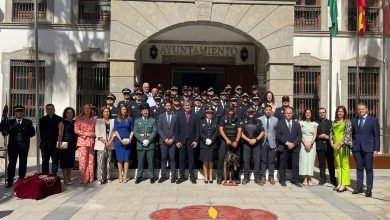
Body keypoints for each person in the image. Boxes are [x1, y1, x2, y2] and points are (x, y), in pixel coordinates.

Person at [351, 103, 380, 197]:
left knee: (369, 169)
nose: (361, 111)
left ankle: (369, 189)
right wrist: (352, 147)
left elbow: (377, 136)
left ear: (366, 109)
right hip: (357, 149)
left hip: (368, 149)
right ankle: (359, 188)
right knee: (359, 168)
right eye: (359, 109)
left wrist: (376, 149)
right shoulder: (354, 120)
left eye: (362, 109)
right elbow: (352, 135)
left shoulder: (373, 120)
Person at [6, 105, 35, 188]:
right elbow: (5, 133)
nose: (19, 113)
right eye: (17, 111)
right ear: (14, 112)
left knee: (23, 163)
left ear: (23, 112)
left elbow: (32, 133)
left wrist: (24, 137)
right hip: (13, 147)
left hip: (24, 146)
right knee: (11, 164)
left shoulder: (28, 122)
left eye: (20, 111)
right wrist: (3, 127)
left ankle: (21, 179)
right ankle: (10, 180)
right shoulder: (10, 122)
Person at [275, 107, 303, 187]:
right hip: (284, 147)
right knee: (283, 165)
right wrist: (287, 143)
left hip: (294, 148)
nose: (288, 114)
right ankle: (282, 180)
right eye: (287, 113)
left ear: (292, 114)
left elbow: (299, 135)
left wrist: (293, 144)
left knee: (295, 165)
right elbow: (278, 134)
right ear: (284, 114)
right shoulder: (280, 123)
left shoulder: (297, 124)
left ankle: (295, 180)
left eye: (290, 113)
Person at [174, 100, 200, 184]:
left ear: (191, 106)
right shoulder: (179, 115)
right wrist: (177, 141)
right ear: (183, 106)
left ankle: (192, 177)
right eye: (185, 105)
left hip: (191, 142)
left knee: (191, 160)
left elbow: (198, 130)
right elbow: (176, 129)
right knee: (181, 160)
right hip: (181, 141)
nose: (187, 106)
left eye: (188, 105)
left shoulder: (195, 115)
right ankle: (181, 177)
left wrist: (196, 141)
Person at [329, 105, 352, 193]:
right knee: (338, 165)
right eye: (339, 111)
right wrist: (332, 144)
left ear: (344, 112)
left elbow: (348, 135)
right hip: (335, 146)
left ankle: (344, 184)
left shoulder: (347, 122)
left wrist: (340, 144)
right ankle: (340, 182)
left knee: (344, 165)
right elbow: (331, 134)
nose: (340, 113)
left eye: (342, 111)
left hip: (344, 146)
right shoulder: (334, 121)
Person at [217, 106, 242, 184]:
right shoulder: (223, 118)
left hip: (235, 141)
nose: (231, 112)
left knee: (236, 159)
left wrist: (236, 141)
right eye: (229, 110)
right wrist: (227, 139)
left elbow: (240, 131)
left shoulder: (238, 118)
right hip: (225, 140)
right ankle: (220, 177)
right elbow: (221, 129)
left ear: (234, 111)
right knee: (221, 158)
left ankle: (236, 177)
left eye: (232, 110)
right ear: (227, 111)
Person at [134, 103, 158, 184]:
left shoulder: (153, 120)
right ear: (141, 112)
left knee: (150, 161)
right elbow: (136, 132)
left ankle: (151, 176)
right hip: (140, 144)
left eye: (147, 110)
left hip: (150, 144)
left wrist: (148, 140)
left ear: (149, 111)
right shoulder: (137, 121)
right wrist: (142, 140)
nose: (145, 112)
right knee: (140, 162)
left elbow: (154, 131)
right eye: (144, 110)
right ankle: (139, 177)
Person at [241, 108, 265, 185]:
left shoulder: (258, 121)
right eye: (249, 112)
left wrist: (256, 139)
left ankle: (257, 178)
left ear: (254, 113)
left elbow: (262, 132)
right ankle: (246, 177)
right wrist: (248, 140)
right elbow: (240, 132)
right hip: (246, 143)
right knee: (246, 160)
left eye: (252, 112)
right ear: (247, 113)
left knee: (257, 161)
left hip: (256, 143)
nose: (251, 113)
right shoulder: (243, 121)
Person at [74, 104, 96, 184]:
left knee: (91, 160)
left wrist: (94, 133)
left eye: (88, 108)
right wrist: (87, 134)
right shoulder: (79, 118)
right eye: (85, 108)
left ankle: (90, 178)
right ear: (82, 109)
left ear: (91, 109)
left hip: (91, 142)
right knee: (83, 161)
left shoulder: (94, 118)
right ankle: (83, 178)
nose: (87, 110)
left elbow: (98, 128)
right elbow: (76, 130)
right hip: (82, 141)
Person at [39, 104, 62, 175]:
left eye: (51, 109)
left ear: (54, 110)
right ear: (46, 110)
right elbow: (39, 132)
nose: (50, 110)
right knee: (45, 160)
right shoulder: (41, 120)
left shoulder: (59, 119)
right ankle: (45, 175)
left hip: (55, 144)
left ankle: (54, 175)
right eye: (48, 109)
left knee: (55, 161)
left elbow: (61, 132)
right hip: (45, 144)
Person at [95, 107, 116, 185]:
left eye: (108, 111)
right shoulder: (98, 121)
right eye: (105, 111)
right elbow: (97, 133)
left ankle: (108, 177)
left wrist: (110, 141)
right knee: (100, 162)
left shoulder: (113, 121)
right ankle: (100, 179)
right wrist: (105, 142)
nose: (107, 113)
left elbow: (115, 132)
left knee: (108, 162)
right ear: (102, 113)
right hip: (101, 144)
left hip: (110, 144)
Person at [157, 101, 177, 183]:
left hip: (173, 141)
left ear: (171, 106)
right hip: (163, 141)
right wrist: (165, 139)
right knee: (164, 159)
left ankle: (173, 176)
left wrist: (173, 139)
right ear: (165, 107)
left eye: (169, 105)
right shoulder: (161, 116)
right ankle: (163, 176)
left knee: (172, 159)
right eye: (166, 106)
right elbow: (159, 129)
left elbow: (177, 129)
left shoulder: (175, 116)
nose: (168, 107)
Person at [316, 107, 337, 186]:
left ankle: (333, 179)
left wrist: (328, 137)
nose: (322, 113)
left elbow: (334, 135)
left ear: (326, 113)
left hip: (329, 146)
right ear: (319, 114)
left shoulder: (331, 123)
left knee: (331, 164)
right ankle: (322, 178)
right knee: (321, 164)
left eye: (323, 112)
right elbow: (313, 135)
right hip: (320, 145)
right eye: (320, 112)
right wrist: (319, 136)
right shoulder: (316, 123)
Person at [259, 105, 278, 185]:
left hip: (272, 142)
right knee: (263, 160)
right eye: (266, 110)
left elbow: (277, 132)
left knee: (271, 161)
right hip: (263, 142)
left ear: (271, 111)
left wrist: (277, 143)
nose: (268, 111)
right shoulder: (259, 119)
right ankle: (263, 176)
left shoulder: (276, 120)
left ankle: (271, 177)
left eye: (269, 110)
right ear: (264, 111)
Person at [114, 105, 134, 183]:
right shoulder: (116, 120)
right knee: (119, 159)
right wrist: (120, 140)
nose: (124, 110)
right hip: (119, 141)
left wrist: (129, 139)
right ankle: (120, 175)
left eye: (125, 109)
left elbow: (132, 130)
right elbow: (116, 130)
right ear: (120, 110)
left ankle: (125, 175)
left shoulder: (129, 120)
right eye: (122, 109)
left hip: (128, 141)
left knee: (126, 159)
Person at [57, 107, 77, 185]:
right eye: (68, 113)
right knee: (64, 162)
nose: (69, 114)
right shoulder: (62, 122)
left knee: (70, 162)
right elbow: (60, 134)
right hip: (64, 144)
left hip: (72, 144)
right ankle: (65, 178)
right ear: (65, 113)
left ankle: (69, 177)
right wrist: (59, 144)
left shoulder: (75, 122)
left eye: (71, 113)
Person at [299, 109, 318, 186]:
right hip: (303, 143)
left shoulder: (314, 124)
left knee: (310, 160)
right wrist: (305, 144)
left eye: (309, 113)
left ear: (311, 114)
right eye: (306, 113)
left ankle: (309, 178)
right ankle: (305, 178)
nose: (308, 114)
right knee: (304, 160)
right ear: (304, 114)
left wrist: (310, 144)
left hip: (311, 143)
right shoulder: (301, 123)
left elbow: (315, 135)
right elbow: (300, 134)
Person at [199, 107, 219, 184]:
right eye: (208, 113)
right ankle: (205, 176)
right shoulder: (201, 122)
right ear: (205, 114)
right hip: (204, 144)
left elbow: (216, 132)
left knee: (211, 161)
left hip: (212, 144)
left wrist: (211, 139)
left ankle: (210, 176)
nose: (209, 114)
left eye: (211, 113)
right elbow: (200, 132)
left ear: (212, 114)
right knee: (205, 161)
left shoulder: (215, 122)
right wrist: (205, 139)